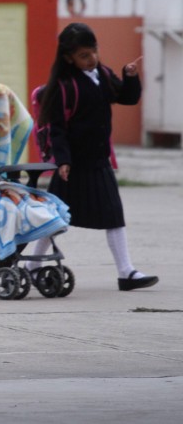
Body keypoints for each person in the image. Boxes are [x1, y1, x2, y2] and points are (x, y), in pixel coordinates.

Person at [28, 22, 158, 291]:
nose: (92, 59)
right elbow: (57, 130)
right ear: (69, 58)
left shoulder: (103, 74)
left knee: (114, 216)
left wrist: (130, 76)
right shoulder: (64, 87)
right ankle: (32, 266)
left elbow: (126, 97)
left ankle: (126, 272)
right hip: (73, 166)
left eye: (94, 52)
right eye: (84, 55)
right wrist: (62, 161)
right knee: (55, 219)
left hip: (98, 162)